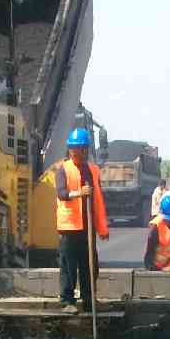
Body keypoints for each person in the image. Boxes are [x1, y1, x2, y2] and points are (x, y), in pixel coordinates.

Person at [55, 128, 109, 314]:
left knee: (90, 266)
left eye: (80, 149)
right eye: (73, 148)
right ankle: (67, 301)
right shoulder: (63, 169)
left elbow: (98, 200)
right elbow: (62, 194)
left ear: (86, 150)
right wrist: (79, 193)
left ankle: (89, 300)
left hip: (87, 227)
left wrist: (102, 228)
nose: (76, 152)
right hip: (69, 228)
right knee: (68, 266)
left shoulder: (93, 170)